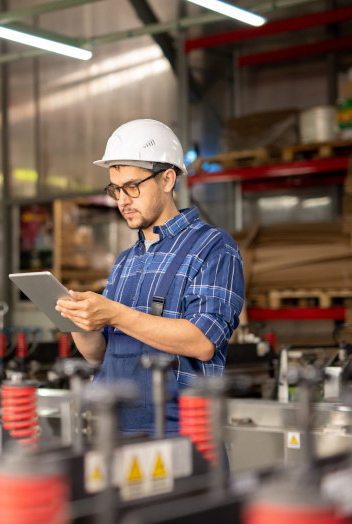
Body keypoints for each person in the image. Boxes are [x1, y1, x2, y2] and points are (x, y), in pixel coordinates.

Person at [55, 119, 245, 436]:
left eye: (132, 186)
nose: (122, 200)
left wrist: (115, 312)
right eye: (116, 189)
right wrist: (79, 320)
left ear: (168, 179)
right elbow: (99, 354)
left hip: (181, 434)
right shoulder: (127, 261)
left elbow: (202, 342)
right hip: (116, 429)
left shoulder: (213, 247)